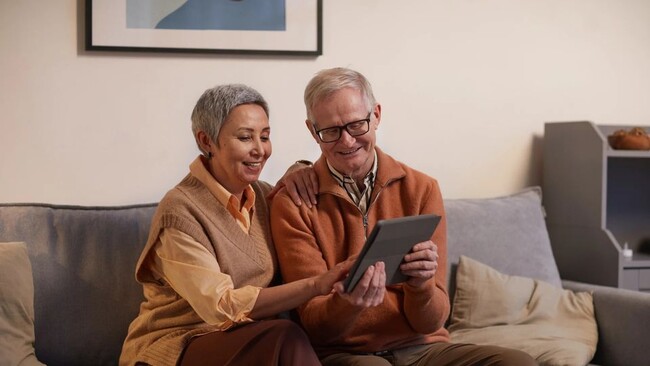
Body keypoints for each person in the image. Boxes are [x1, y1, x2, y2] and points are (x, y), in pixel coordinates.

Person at [269, 67, 538, 366]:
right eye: (331, 131)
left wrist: (421, 286)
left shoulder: (421, 189)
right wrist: (347, 305)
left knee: (518, 362)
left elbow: (432, 321)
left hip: (423, 349)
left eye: (357, 125)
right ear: (312, 131)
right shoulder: (293, 202)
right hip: (345, 354)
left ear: (377, 116)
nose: (347, 142)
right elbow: (315, 325)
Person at [119, 84, 352, 366]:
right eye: (245, 137)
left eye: (265, 137)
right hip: (176, 346)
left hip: (253, 342)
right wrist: (316, 285)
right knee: (284, 336)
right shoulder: (180, 211)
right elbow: (221, 307)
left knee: (286, 337)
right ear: (206, 141)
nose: (260, 150)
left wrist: (301, 168)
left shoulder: (267, 197)